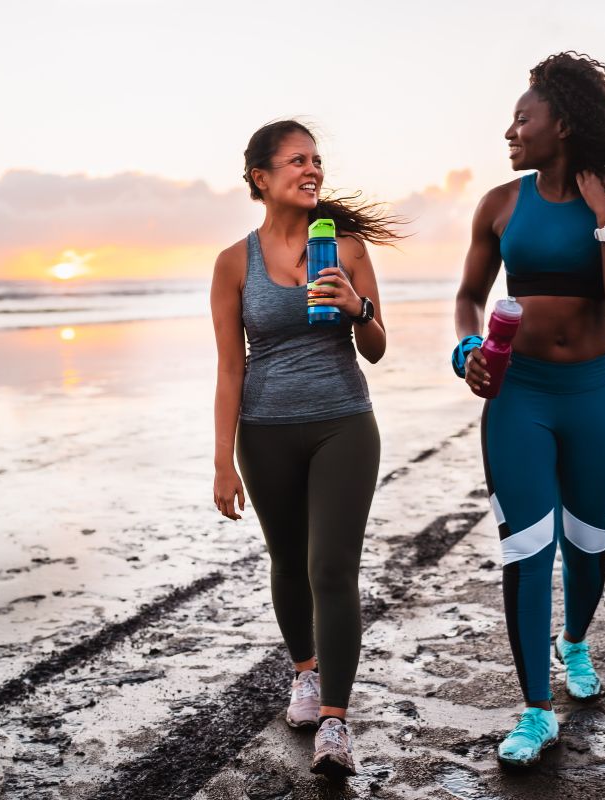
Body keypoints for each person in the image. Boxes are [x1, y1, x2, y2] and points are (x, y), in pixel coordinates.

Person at [452, 52, 605, 767]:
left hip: (592, 394)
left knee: (589, 543)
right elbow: (468, 297)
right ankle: (535, 712)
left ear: (562, 124)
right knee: (525, 549)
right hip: (519, 395)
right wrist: (466, 348)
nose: (510, 131)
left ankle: (575, 642)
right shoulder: (501, 204)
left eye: (522, 118)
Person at [210, 120, 403, 777]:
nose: (312, 169)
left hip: (343, 423)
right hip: (264, 431)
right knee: (288, 560)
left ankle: (336, 726)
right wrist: (221, 460)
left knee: (331, 568)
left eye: (317, 159)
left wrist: (360, 306)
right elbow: (229, 367)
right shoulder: (234, 263)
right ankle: (306, 675)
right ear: (262, 179)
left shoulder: (345, 248)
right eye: (297, 160)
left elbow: (377, 348)